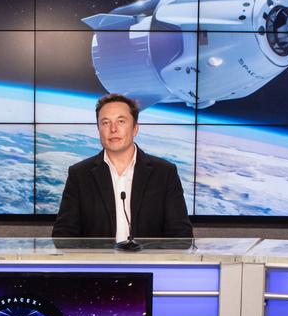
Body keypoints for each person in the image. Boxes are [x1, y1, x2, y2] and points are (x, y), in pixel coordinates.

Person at [52, 94, 192, 239]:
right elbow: (63, 236)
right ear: (98, 129)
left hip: (148, 254)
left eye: (121, 121)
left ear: (135, 128)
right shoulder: (79, 174)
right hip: (97, 254)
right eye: (105, 123)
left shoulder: (164, 173)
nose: (113, 129)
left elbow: (181, 235)